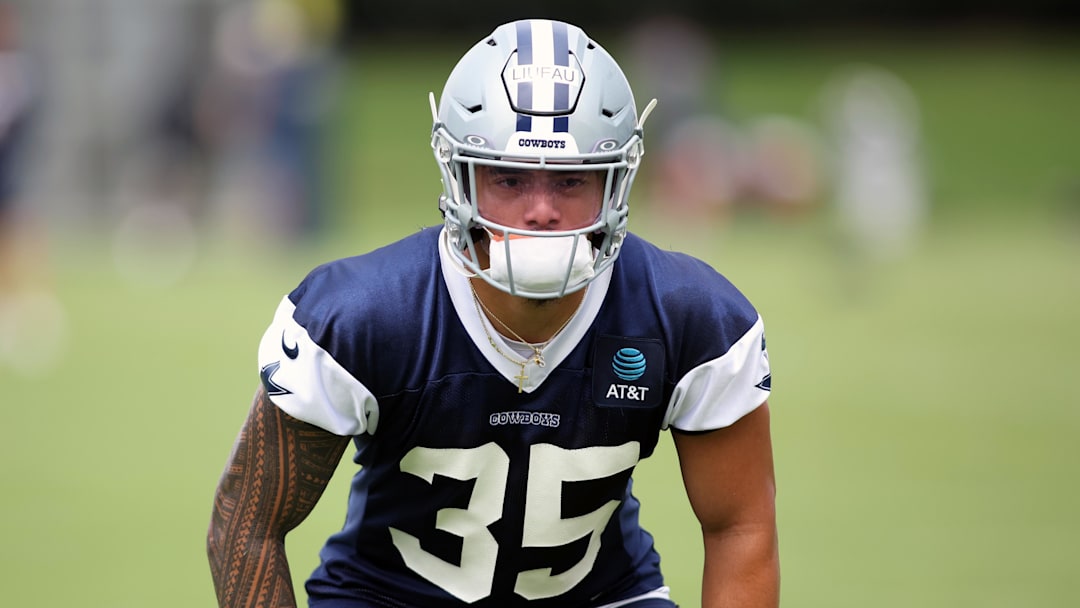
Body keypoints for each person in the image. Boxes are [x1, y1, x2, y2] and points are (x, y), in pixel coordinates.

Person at [207, 18, 779, 608]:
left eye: (571, 180)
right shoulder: (363, 317)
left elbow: (740, 526)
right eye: (508, 178)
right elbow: (245, 524)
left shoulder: (689, 317)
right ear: (460, 178)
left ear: (616, 184)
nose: (540, 211)